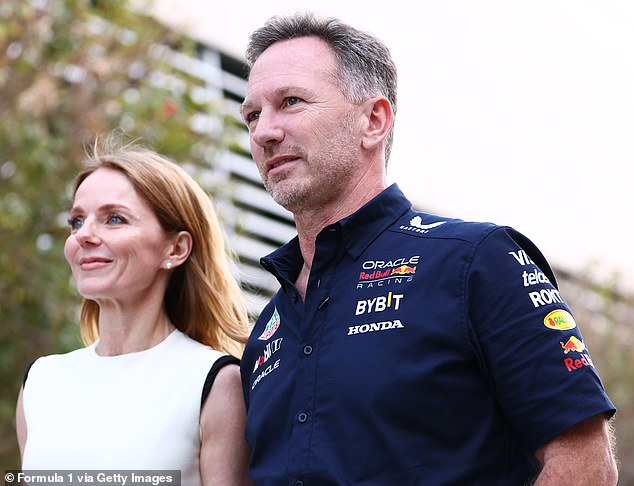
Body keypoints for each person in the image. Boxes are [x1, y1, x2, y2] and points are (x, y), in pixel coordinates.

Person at [238, 12, 618, 485]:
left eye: (290, 102)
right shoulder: (266, 333)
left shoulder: (477, 261)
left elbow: (583, 462)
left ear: (373, 121)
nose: (263, 132)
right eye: (252, 115)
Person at [15, 137, 253, 485]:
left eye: (113, 219)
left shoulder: (216, 382)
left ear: (176, 248)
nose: (85, 235)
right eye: (77, 221)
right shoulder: (40, 382)